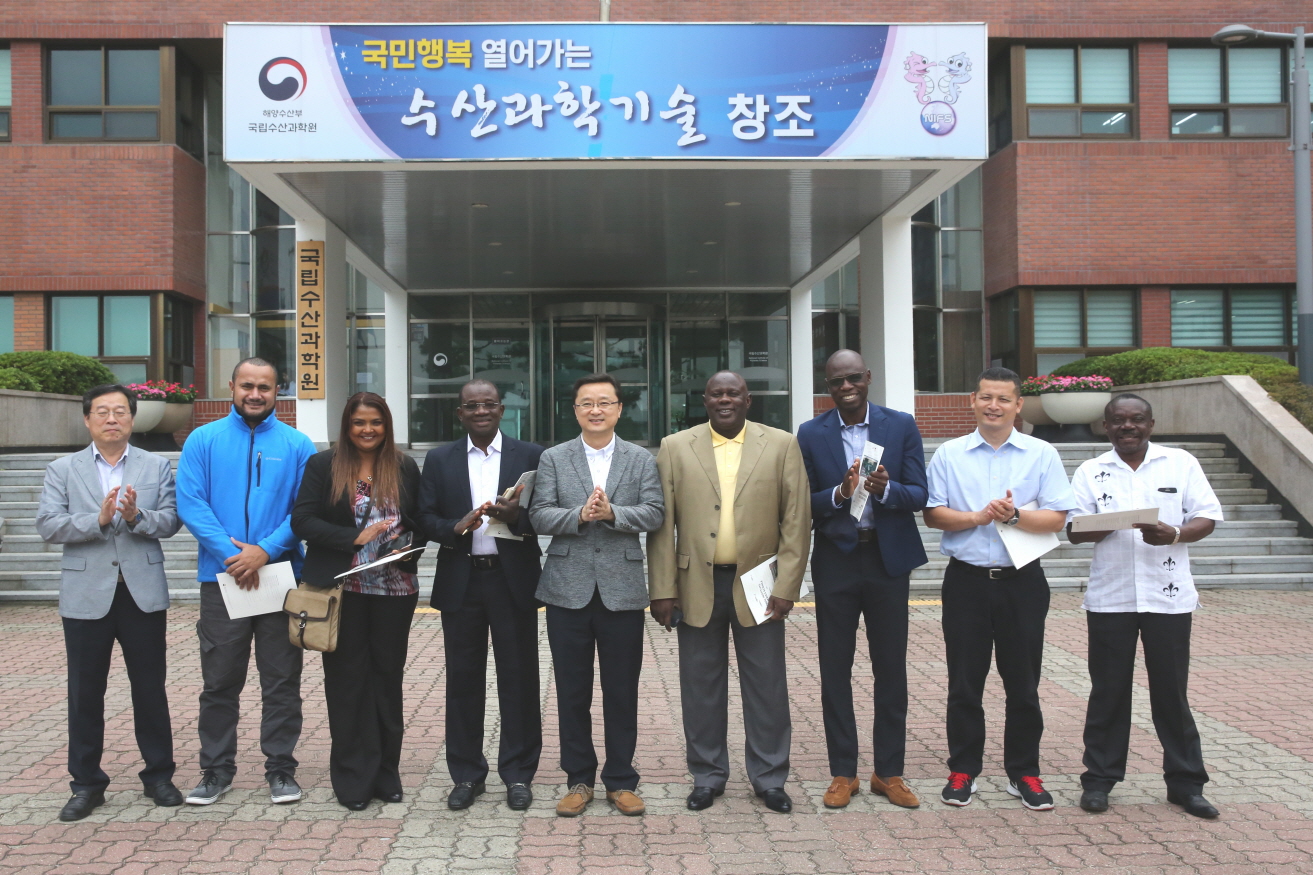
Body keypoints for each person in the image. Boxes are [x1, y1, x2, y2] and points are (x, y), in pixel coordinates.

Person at [648, 371, 811, 814]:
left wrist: (787, 585)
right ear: (704, 400)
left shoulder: (781, 445)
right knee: (700, 686)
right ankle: (707, 776)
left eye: (733, 393)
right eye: (716, 394)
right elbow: (663, 526)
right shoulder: (675, 447)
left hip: (760, 587)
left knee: (767, 686)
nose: (725, 400)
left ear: (747, 400)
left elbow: (796, 520)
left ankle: (770, 778)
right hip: (695, 584)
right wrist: (662, 588)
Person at [923, 367, 1076, 810]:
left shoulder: (1041, 453)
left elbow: (1058, 517)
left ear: (1018, 405)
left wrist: (1014, 516)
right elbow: (933, 514)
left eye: (1004, 399)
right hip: (966, 582)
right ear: (972, 400)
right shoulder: (950, 454)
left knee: (1023, 684)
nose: (994, 406)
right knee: (964, 683)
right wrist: (978, 517)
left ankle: (1024, 772)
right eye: (986, 397)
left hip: (1022, 582)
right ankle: (963, 770)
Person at [1068, 393, 1224, 819]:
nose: (1128, 427)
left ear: (1151, 424)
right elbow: (1074, 529)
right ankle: (1099, 780)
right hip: (1111, 597)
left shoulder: (1180, 463)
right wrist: (1104, 525)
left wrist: (1175, 533)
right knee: (1108, 692)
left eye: (1137, 419)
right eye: (1118, 420)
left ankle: (1186, 784)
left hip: (1167, 597)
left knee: (1171, 693)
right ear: (1106, 426)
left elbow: (1206, 517)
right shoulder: (1090, 470)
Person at [37, 384, 184, 821]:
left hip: (142, 592)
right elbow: (48, 524)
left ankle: (158, 776)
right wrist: (97, 520)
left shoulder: (156, 466)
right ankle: (86, 785)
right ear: (87, 419)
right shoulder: (63, 468)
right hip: (86, 594)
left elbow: (172, 520)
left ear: (132, 419)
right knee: (85, 693)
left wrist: (136, 516)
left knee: (150, 689)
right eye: (102, 411)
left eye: (120, 411)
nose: (112, 418)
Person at [175, 357, 315, 806]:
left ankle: (281, 770)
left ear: (278, 391)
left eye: (265, 387)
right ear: (232, 386)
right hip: (223, 578)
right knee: (219, 681)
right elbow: (190, 502)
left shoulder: (297, 444)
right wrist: (234, 555)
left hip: (280, 577)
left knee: (281, 680)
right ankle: (216, 771)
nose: (255, 394)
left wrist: (266, 550)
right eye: (247, 386)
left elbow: (304, 509)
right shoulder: (203, 439)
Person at [796, 350, 928, 809]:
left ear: (868, 378)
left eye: (853, 378)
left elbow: (920, 494)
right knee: (835, 669)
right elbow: (803, 501)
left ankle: (888, 772)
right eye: (837, 381)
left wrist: (886, 489)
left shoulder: (900, 425)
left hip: (887, 561)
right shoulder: (811, 433)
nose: (846, 387)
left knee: (890, 668)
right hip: (837, 560)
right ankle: (843, 772)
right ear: (827, 386)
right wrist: (840, 492)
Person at [529, 373, 664, 818]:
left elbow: (655, 512)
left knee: (621, 690)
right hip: (566, 590)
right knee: (572, 691)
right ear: (575, 411)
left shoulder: (640, 458)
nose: (596, 410)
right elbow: (539, 515)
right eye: (587, 403)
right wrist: (580, 515)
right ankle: (578, 780)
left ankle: (621, 780)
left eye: (605, 402)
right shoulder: (554, 457)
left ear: (619, 409)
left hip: (621, 591)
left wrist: (612, 513)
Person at [292, 392, 425, 810]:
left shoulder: (403, 466)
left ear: (387, 425)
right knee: (348, 683)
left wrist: (408, 546)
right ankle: (353, 778)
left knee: (387, 679)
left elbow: (418, 521)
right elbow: (302, 521)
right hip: (342, 592)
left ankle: (386, 774)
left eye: (376, 422)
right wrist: (354, 537)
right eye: (359, 422)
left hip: (395, 591)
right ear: (346, 427)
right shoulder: (324, 465)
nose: (368, 429)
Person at [417, 380, 545, 812]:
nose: (481, 411)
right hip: (462, 581)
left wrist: (518, 517)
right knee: (463, 682)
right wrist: (453, 528)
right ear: (460, 413)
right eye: (472, 406)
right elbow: (424, 516)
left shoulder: (530, 456)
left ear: (502, 409)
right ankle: (467, 774)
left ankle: (518, 773)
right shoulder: (439, 459)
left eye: (489, 404)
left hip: (512, 582)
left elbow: (545, 514)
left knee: (519, 680)